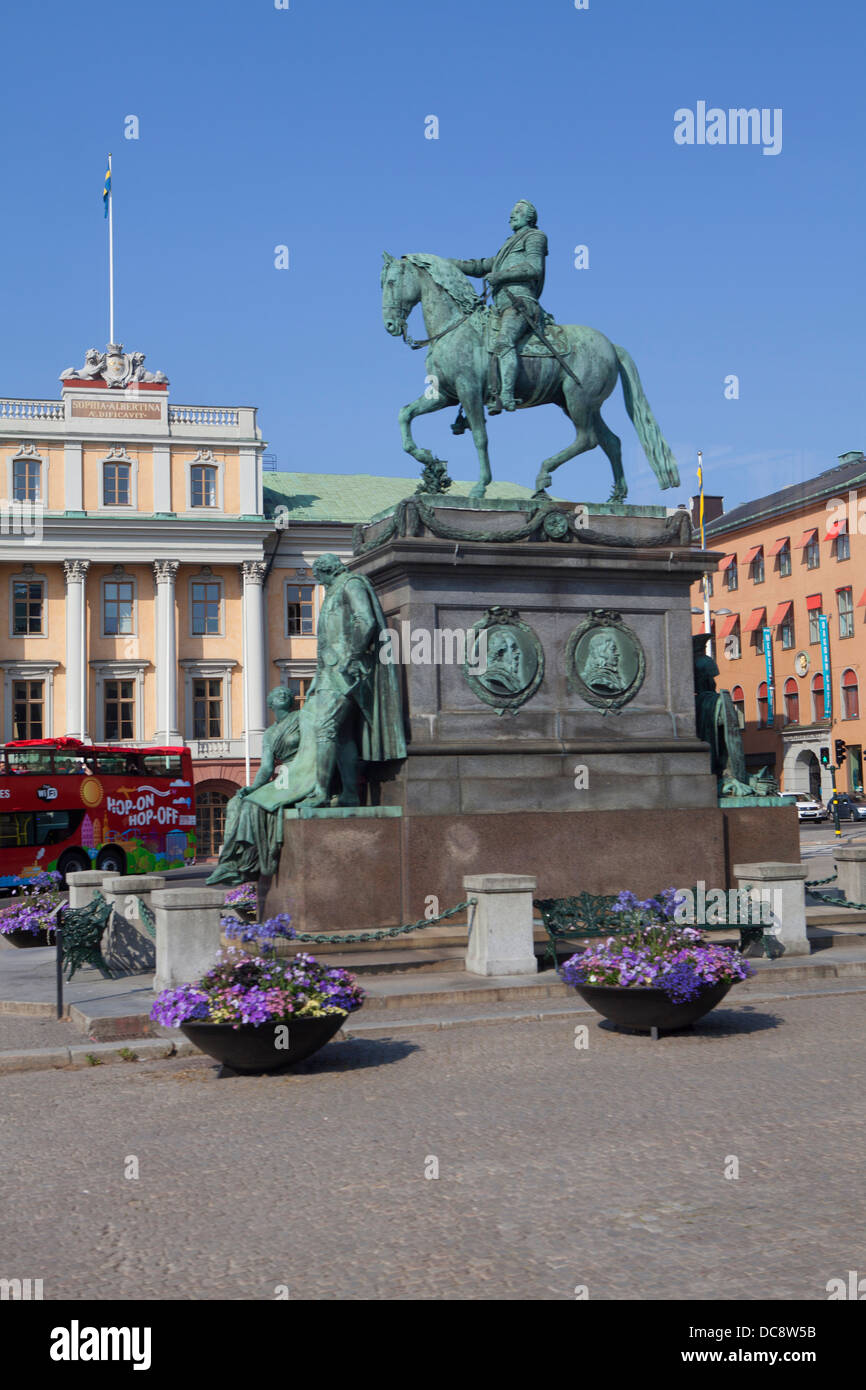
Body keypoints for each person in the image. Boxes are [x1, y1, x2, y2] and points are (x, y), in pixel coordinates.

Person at [453, 200, 548, 413]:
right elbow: (480, 265)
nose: (511, 216)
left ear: (529, 217)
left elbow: (534, 268)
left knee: (504, 342)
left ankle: (506, 394)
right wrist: (447, 263)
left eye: (517, 212)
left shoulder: (535, 237)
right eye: (512, 212)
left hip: (521, 303)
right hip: (501, 307)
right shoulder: (508, 245)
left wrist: (501, 276)